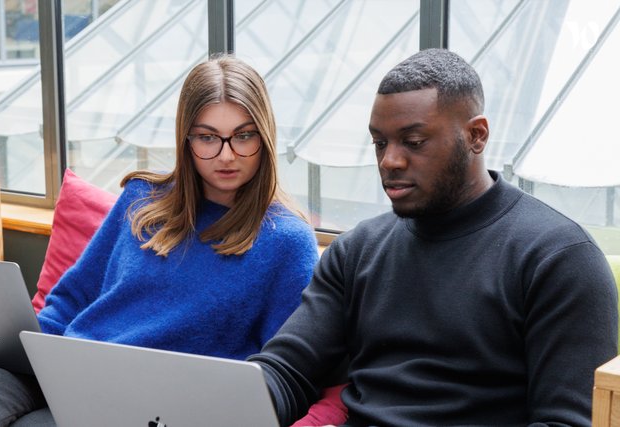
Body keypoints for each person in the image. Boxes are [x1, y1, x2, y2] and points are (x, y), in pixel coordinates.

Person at [248, 48, 619, 426]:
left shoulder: (558, 259)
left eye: (414, 141)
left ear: (476, 135)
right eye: (380, 143)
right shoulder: (357, 251)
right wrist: (232, 398)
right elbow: (287, 370)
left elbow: (566, 422)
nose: (389, 160)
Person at [0, 54, 319, 426]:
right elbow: (72, 296)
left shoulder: (287, 241)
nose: (226, 155)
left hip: (153, 405)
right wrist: (33, 351)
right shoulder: (142, 195)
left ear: (264, 135)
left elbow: (281, 371)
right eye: (207, 137)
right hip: (67, 368)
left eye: (243, 136)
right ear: (185, 139)